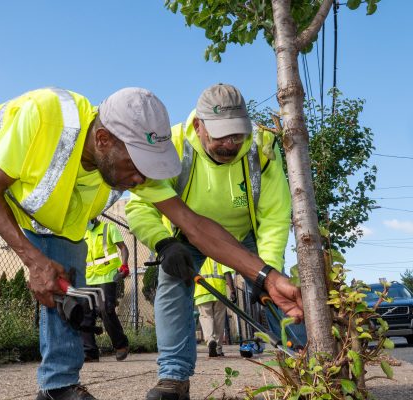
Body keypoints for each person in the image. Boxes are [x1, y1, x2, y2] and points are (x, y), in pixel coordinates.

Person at [0, 87, 183, 400]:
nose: (141, 180)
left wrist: (260, 273)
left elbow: (189, 220)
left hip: (25, 186)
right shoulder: (48, 115)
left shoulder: (120, 165)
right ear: (103, 140)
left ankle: (58, 385)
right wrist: (35, 261)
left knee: (68, 264)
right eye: (136, 165)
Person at [125, 83, 306, 400]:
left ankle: (307, 363)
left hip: (246, 233)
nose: (231, 144)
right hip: (189, 233)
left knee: (277, 288)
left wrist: (269, 268)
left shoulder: (261, 147)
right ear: (198, 125)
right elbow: (140, 204)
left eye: (237, 134)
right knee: (171, 282)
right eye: (221, 135)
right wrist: (163, 242)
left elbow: (275, 215)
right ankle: (174, 378)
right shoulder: (172, 145)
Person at [81, 217, 130, 362]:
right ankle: (89, 352)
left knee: (105, 309)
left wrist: (124, 265)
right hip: (89, 276)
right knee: (85, 313)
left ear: (94, 216)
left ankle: (121, 345)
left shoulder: (109, 228)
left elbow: (123, 247)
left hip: (108, 275)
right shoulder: (82, 233)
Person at [194, 258, 236, 358]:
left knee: (206, 317)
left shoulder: (197, 254)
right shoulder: (218, 253)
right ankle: (218, 348)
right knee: (219, 320)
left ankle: (210, 340)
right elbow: (227, 273)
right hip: (219, 293)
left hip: (202, 292)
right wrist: (232, 290)